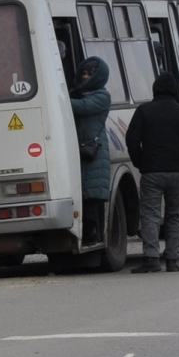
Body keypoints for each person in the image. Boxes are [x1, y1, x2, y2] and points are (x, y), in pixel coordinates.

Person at [124, 71, 179, 273]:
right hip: (177, 172)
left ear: (154, 89)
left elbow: (132, 139)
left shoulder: (144, 111)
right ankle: (172, 260)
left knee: (150, 214)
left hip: (151, 171)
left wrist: (140, 161)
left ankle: (151, 258)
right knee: (175, 215)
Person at [69, 55, 113, 250]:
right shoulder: (78, 94)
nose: (86, 77)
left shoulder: (102, 96)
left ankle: (91, 235)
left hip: (93, 153)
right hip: (81, 151)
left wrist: (57, 96)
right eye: (84, 73)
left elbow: (83, 108)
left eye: (90, 74)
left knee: (91, 196)